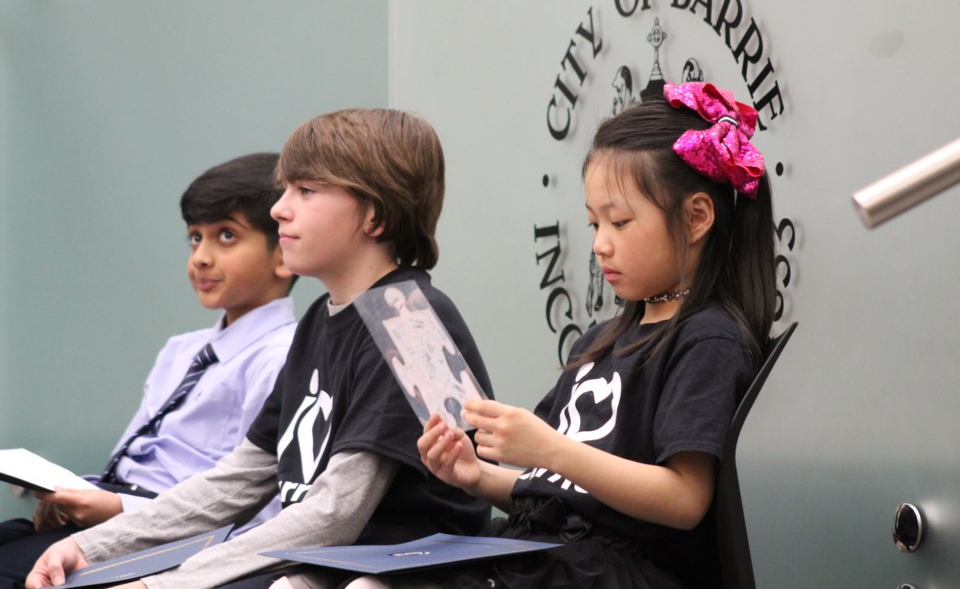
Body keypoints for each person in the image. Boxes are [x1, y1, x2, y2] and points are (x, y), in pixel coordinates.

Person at [25, 108, 494, 589]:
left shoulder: (409, 320)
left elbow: (338, 514)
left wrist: (162, 584)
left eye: (306, 191)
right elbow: (239, 479)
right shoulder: (320, 318)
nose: (279, 208)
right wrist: (91, 547)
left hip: (408, 567)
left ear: (377, 215)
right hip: (328, 561)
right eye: (285, 188)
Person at [337, 82, 777, 589]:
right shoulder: (600, 340)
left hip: (618, 572)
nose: (600, 245)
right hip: (553, 555)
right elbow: (559, 493)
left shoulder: (708, 339)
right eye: (593, 224)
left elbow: (685, 500)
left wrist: (549, 448)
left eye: (620, 222)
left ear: (697, 216)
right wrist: (476, 476)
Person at [0, 153, 297, 587]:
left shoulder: (282, 357)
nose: (201, 258)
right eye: (195, 238)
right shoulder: (182, 350)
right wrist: (78, 495)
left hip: (177, 539)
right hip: (112, 520)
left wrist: (118, 511)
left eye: (226, 236)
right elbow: (136, 456)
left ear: (283, 256)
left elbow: (257, 502)